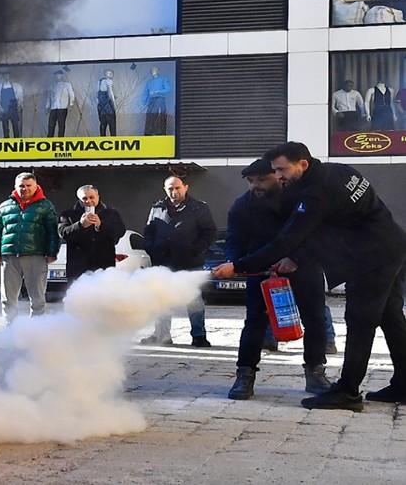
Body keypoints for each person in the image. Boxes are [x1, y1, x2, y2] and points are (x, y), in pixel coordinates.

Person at [213, 141, 406, 411]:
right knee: (391, 316)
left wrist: (239, 267)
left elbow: (287, 240)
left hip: (371, 257)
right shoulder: (337, 170)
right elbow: (327, 228)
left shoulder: (315, 193)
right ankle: (403, 384)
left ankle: (348, 391)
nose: (279, 176)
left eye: (281, 170)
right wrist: (295, 258)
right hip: (391, 245)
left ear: (302, 164)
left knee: (360, 320)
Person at [224, 158, 331, 400]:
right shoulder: (242, 206)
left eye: (262, 179)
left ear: (278, 176)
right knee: (254, 323)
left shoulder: (301, 198)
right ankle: (245, 374)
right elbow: (234, 239)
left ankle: (315, 373)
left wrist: (296, 258)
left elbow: (320, 234)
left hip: (303, 266)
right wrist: (234, 263)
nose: (255, 186)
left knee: (315, 320)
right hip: (261, 272)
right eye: (251, 181)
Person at [141, 175, 217, 347]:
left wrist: (196, 249)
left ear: (186, 187)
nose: (174, 191)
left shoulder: (199, 208)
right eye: (170, 188)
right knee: (161, 300)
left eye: (177, 188)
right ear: (165, 189)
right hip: (163, 262)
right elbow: (149, 231)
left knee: (194, 300)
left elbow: (210, 233)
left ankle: (199, 336)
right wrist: (151, 248)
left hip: (190, 262)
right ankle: (162, 335)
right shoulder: (157, 207)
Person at [0, 172, 60, 324]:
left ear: (36, 186)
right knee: (8, 297)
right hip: (9, 256)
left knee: (37, 297)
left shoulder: (45, 206)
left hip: (36, 255)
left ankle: (36, 329)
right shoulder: (4, 206)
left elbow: (53, 231)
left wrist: (52, 252)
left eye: (29, 186)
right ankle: (10, 329)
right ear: (15, 187)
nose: (25, 189)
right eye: (21, 186)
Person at [58, 184, 126, 284]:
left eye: (92, 197)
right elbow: (63, 233)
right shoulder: (68, 214)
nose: (88, 201)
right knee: (79, 297)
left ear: (98, 197)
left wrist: (100, 225)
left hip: (103, 265)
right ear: (79, 200)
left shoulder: (111, 213)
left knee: (104, 296)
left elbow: (120, 231)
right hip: (78, 267)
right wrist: (80, 225)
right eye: (84, 198)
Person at [140, 66, 172, 136]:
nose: (153, 71)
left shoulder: (163, 79)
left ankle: (160, 134)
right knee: (150, 117)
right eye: (152, 70)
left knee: (160, 117)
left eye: (154, 69)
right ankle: (149, 134)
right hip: (151, 101)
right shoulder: (149, 82)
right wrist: (143, 103)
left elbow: (168, 89)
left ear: (158, 71)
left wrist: (157, 92)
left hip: (160, 100)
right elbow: (146, 93)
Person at [0, 71, 23, 138]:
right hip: (4, 109)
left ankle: (16, 142)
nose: (6, 76)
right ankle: (6, 142)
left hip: (13, 108)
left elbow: (20, 96)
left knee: (16, 127)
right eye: (5, 75)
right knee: (5, 129)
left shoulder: (16, 86)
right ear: (3, 76)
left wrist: (19, 104)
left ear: (9, 76)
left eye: (7, 75)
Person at [46, 69, 75, 137]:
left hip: (62, 108)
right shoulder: (52, 86)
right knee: (51, 125)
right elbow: (49, 97)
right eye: (56, 75)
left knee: (61, 124)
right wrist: (47, 106)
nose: (57, 76)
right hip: (53, 108)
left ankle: (60, 139)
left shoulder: (67, 85)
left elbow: (71, 95)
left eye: (59, 75)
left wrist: (71, 104)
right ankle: (49, 139)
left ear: (62, 76)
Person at [97, 69, 117, 136]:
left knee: (103, 124)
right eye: (110, 73)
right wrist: (114, 104)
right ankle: (114, 140)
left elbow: (97, 95)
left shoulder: (99, 82)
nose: (111, 75)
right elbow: (110, 93)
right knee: (112, 124)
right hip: (108, 107)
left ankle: (102, 139)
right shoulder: (109, 81)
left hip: (101, 107)